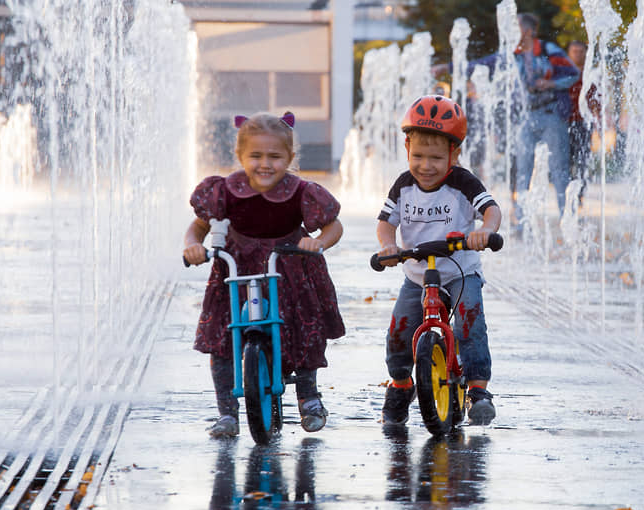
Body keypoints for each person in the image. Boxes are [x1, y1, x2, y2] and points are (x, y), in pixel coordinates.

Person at [183, 112, 345, 437]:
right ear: (240, 156)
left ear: (290, 158)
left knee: (303, 330)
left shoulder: (301, 191)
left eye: (275, 156)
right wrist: (192, 246)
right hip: (237, 268)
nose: (265, 164)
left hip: (288, 268)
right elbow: (199, 226)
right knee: (224, 338)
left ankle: (308, 396)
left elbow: (333, 225)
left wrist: (318, 242)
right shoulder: (226, 190)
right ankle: (227, 413)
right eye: (255, 156)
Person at [376, 95, 503, 426]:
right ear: (406, 148)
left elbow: (491, 209)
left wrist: (485, 231)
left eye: (436, 157)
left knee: (470, 323)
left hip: (460, 271)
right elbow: (385, 222)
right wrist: (388, 246)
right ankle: (401, 385)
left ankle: (478, 390)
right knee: (399, 331)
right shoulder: (403, 186)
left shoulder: (463, 182)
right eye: (418, 156)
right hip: (417, 274)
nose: (426, 165)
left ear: (454, 154)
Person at [434, 13, 579, 224]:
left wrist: (552, 84)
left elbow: (572, 73)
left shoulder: (548, 50)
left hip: (551, 115)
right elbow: (482, 64)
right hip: (525, 117)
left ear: (528, 31)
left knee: (559, 168)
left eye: (515, 27)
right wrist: (447, 68)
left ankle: (568, 219)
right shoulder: (511, 54)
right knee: (523, 168)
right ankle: (522, 221)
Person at [566, 40, 601, 202]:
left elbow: (596, 101)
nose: (577, 54)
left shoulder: (590, 75)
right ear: (569, 53)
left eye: (580, 51)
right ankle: (567, 194)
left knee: (582, 159)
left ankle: (580, 194)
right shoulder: (563, 73)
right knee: (565, 159)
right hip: (564, 123)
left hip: (583, 124)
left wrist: (599, 122)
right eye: (574, 51)